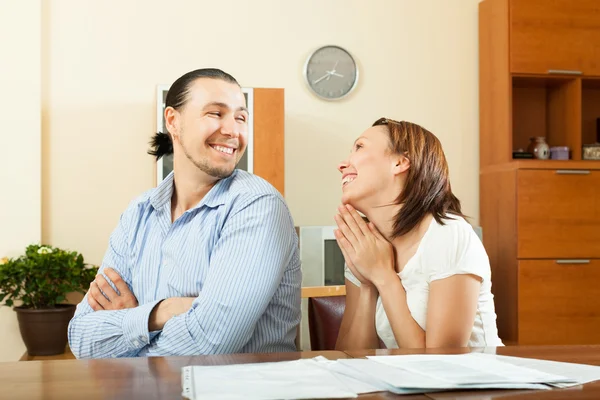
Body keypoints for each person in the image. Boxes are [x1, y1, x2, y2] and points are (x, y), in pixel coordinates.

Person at [68, 68, 301, 358]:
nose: (233, 130)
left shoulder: (256, 204)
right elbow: (81, 339)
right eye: (215, 113)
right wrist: (161, 311)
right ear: (173, 121)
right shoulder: (138, 214)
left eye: (241, 118)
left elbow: (212, 341)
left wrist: (131, 325)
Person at [334, 118, 502, 350]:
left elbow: (439, 363)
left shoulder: (448, 234)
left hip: (476, 384)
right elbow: (349, 359)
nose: (342, 164)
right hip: (404, 382)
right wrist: (367, 285)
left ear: (400, 163)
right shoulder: (364, 245)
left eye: (359, 147)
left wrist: (383, 275)